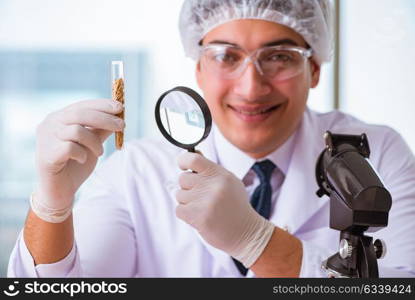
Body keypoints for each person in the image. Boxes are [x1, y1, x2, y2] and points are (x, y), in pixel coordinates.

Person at [7, 0, 415, 277]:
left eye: (279, 56)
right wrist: (51, 205)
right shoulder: (136, 171)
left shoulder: (375, 153)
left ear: (315, 69)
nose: (251, 88)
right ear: (199, 68)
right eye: (226, 55)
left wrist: (256, 241)